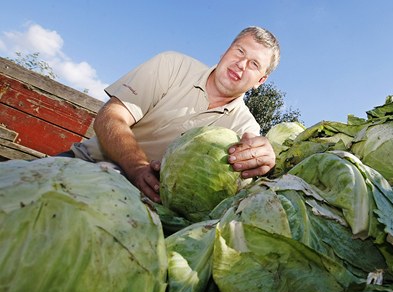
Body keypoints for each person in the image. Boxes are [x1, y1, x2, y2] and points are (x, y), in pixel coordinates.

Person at [64, 26, 280, 203]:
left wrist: (265, 160)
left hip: (146, 206)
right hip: (83, 167)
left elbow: (252, 160)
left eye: (254, 64)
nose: (241, 65)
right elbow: (110, 117)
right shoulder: (172, 66)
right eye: (240, 51)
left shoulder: (246, 128)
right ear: (225, 51)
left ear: (260, 81)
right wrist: (137, 168)